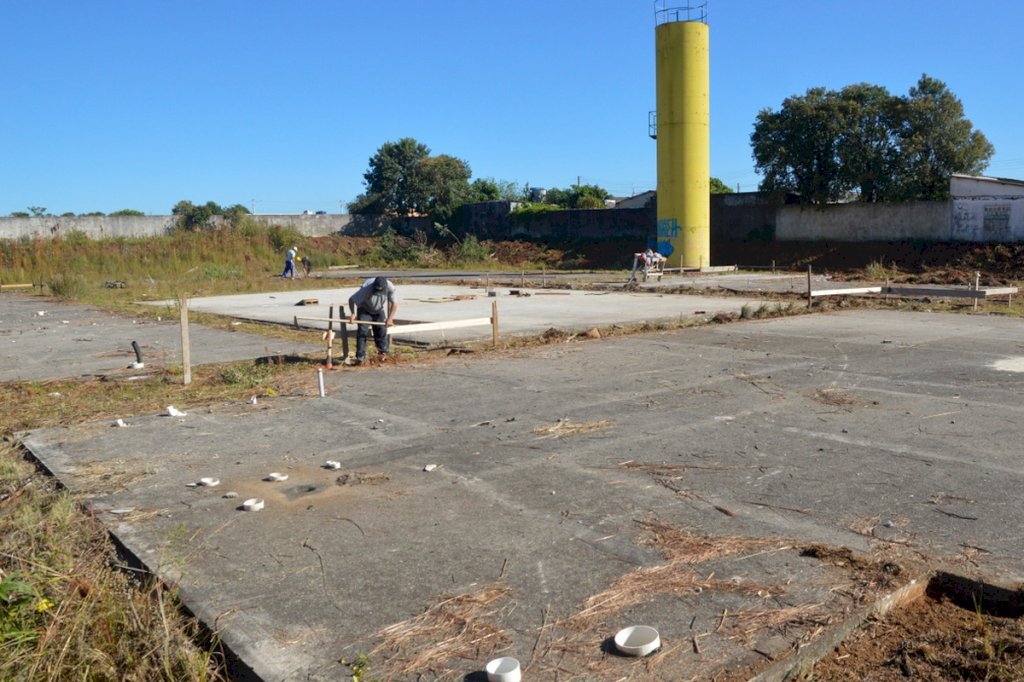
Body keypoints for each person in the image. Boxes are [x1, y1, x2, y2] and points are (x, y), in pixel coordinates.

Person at [347, 276, 398, 365]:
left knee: (382, 329)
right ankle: (360, 357)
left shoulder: (390, 287)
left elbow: (394, 304)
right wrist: (353, 314)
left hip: (378, 310)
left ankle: (383, 354)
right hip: (364, 309)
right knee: (362, 331)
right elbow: (351, 300)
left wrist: (390, 319)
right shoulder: (366, 288)